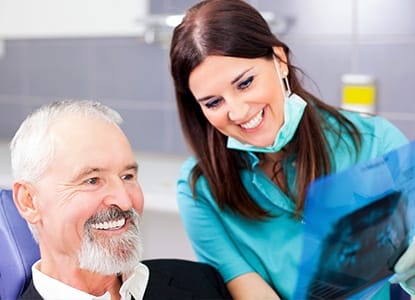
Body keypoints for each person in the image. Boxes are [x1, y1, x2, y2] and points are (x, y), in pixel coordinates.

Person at [169, 0, 415, 299]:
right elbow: (250, 290)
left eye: (245, 83)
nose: (237, 112)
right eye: (213, 102)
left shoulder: (376, 144)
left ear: (280, 60)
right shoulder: (201, 188)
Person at [10, 99, 231, 300]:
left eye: (127, 176)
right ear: (29, 201)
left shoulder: (201, 283)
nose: (125, 201)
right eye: (92, 180)